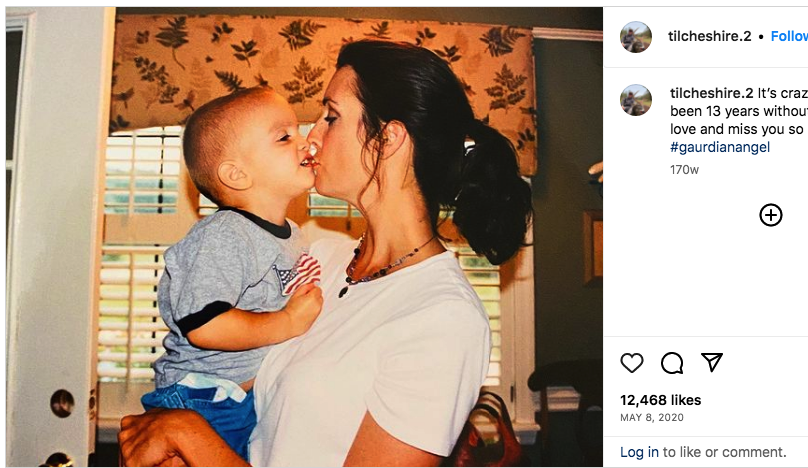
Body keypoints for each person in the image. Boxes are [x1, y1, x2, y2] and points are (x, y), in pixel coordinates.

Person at [119, 39, 533, 467]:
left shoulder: (443, 317)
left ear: (388, 138)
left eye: (331, 117)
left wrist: (186, 433)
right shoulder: (317, 258)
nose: (311, 137)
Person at [141, 87, 325, 461]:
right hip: (202, 398)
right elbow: (204, 325)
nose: (305, 142)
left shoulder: (289, 233)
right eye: (284, 137)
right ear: (237, 174)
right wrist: (288, 322)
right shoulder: (224, 235)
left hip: (237, 396)